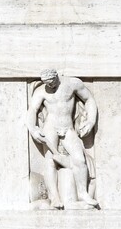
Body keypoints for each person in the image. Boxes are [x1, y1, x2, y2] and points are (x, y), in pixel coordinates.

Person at [27, 69, 98, 209]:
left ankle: (83, 193)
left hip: (68, 127)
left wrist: (91, 121)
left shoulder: (72, 83)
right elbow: (33, 110)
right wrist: (33, 129)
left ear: (56, 77)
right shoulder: (41, 91)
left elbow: (89, 99)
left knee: (79, 160)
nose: (49, 86)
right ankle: (54, 198)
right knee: (50, 161)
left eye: (51, 82)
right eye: (46, 83)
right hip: (50, 127)